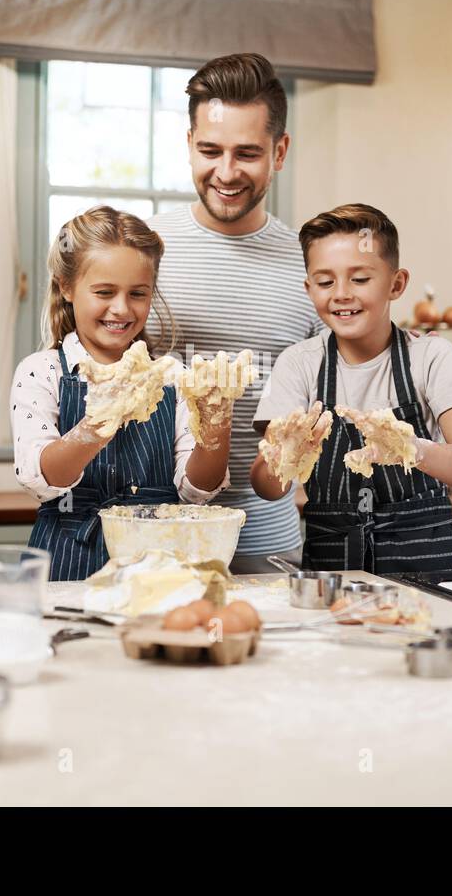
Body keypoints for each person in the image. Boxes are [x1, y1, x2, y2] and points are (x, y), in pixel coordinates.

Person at [250, 203, 452, 574]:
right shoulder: (297, 365)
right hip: (333, 579)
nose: (341, 294)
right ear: (309, 288)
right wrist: (287, 454)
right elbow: (267, 487)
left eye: (360, 279)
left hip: (427, 574)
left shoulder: (431, 357)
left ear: (396, 284)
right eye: (325, 281)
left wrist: (412, 448)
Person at [148, 53, 320, 573]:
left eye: (247, 153)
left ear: (280, 151)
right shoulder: (143, 250)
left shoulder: (312, 267)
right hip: (152, 536)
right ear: (189, 145)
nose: (226, 173)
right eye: (210, 150)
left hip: (268, 540)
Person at [11, 206, 231, 581]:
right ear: (66, 286)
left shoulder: (173, 376)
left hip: (158, 564)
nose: (121, 308)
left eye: (138, 294)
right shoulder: (40, 371)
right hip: (67, 559)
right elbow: (43, 477)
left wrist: (216, 427)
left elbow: (197, 491)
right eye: (104, 292)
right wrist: (95, 425)